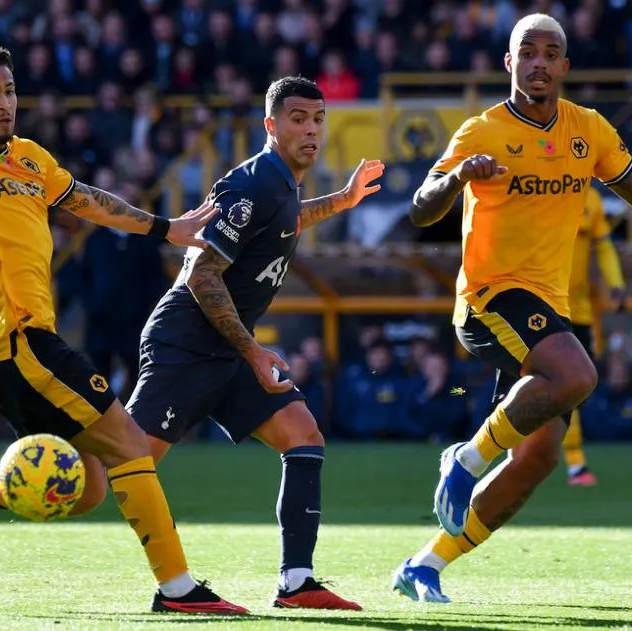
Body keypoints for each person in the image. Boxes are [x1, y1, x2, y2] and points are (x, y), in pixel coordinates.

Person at [0, 41, 247, 615]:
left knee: (87, 488)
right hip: (14, 339)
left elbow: (86, 201)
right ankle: (178, 589)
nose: (6, 102)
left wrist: (166, 228)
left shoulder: (30, 156)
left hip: (27, 345)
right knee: (131, 444)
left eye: (9, 90)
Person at [391, 13, 632, 603]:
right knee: (577, 374)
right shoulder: (481, 131)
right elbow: (419, 209)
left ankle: (424, 565)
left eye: (551, 53)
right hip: (488, 299)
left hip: (546, 310)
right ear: (509, 63)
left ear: (565, 65)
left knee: (537, 459)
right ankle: (464, 458)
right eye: (527, 52)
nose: (539, 62)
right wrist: (460, 175)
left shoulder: (587, 129)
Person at [126, 76, 382, 609]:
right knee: (113, 471)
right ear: (270, 125)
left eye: (317, 119)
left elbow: (284, 223)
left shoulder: (283, 184)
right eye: (297, 119)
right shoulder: (252, 183)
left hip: (227, 346)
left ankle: (297, 582)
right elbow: (201, 276)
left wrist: (343, 199)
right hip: (188, 343)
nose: (310, 129)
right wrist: (254, 351)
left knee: (302, 433)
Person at [562, 185, 626, 486]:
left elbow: (603, 245)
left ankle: (555, 450)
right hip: (541, 306)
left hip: (581, 311)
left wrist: (616, 282)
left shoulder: (592, 199)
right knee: (563, 385)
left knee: (578, 387)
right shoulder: (538, 189)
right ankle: (575, 461)